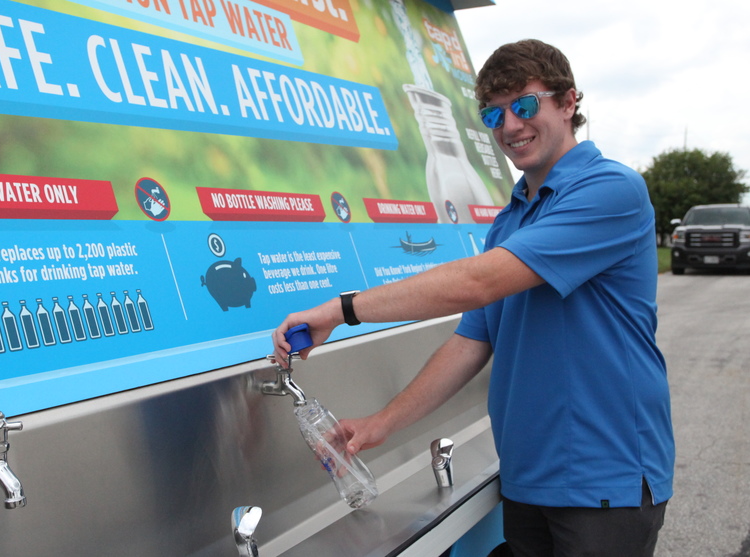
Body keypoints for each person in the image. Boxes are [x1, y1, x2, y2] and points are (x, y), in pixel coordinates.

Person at [272, 39, 673, 556]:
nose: (510, 126)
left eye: (525, 105)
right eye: (493, 114)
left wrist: (341, 310)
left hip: (603, 481)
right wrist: (381, 424)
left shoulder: (611, 190)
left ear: (569, 102)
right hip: (529, 480)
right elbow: (471, 342)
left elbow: (476, 283)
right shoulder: (509, 221)